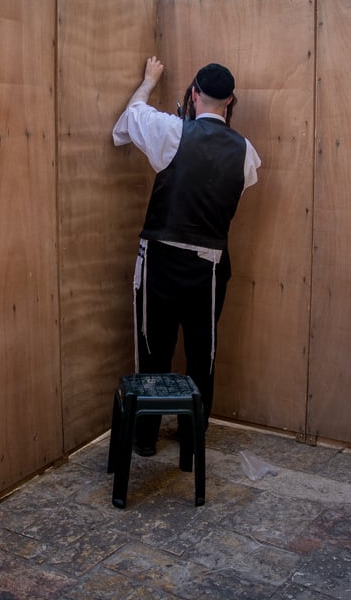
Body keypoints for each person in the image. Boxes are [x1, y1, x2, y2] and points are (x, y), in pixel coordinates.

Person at [112, 56, 261, 456]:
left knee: (152, 348)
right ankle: (192, 436)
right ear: (230, 100)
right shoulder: (247, 152)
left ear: (194, 94)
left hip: (160, 259)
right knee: (202, 353)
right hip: (209, 267)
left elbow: (126, 123)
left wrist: (148, 81)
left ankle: (144, 438)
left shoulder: (170, 131)